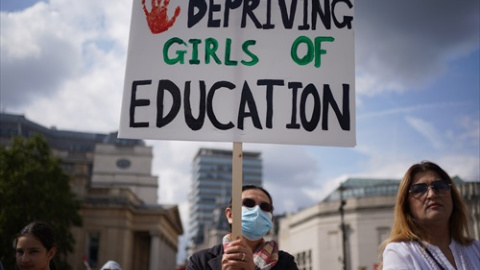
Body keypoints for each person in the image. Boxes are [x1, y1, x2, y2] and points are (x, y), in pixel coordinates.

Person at [378, 161, 480, 269]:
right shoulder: (399, 253)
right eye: (419, 189)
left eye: (440, 186)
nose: (432, 194)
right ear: (406, 206)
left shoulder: (475, 249)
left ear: (452, 197)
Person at [187, 185, 298, 269]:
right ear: (230, 215)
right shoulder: (200, 261)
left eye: (265, 207)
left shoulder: (286, 263)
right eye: (249, 203)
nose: (257, 211)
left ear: (271, 218)